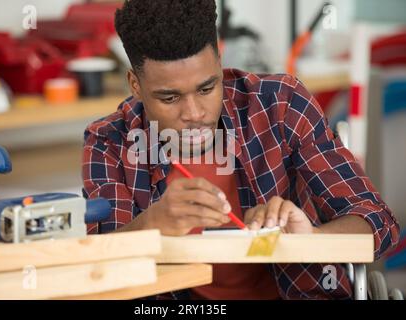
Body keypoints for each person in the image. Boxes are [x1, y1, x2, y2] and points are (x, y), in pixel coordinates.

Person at [82, 0, 399, 299]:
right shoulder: (109, 140)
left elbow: (378, 224)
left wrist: (312, 240)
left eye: (207, 88)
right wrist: (154, 224)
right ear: (135, 85)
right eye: (169, 98)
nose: (194, 113)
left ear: (220, 63)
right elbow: (97, 268)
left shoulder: (281, 104)